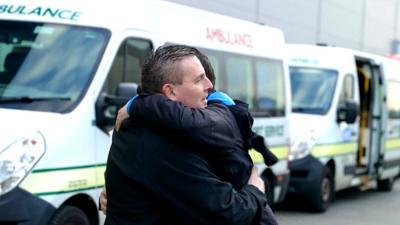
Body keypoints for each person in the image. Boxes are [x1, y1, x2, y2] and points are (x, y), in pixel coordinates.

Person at [104, 45, 267, 225]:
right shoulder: (165, 142)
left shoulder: (134, 124)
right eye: (198, 80)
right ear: (171, 92)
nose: (209, 86)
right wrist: (255, 190)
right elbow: (227, 213)